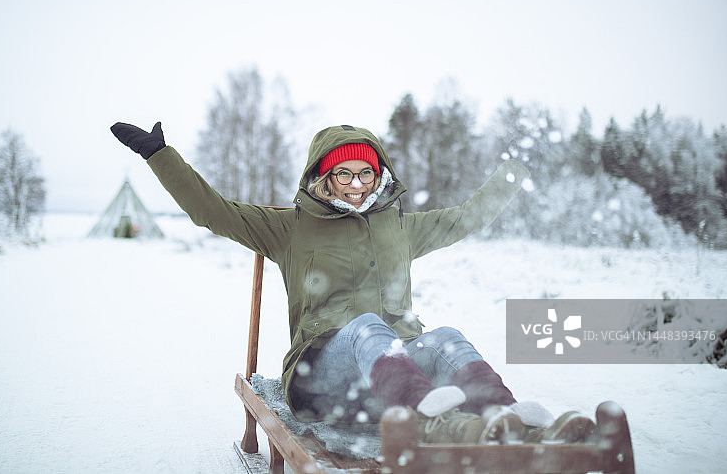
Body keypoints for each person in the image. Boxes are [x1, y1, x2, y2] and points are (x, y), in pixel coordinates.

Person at [110, 121, 594, 444]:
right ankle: (434, 425)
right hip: (320, 380)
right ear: (324, 177)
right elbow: (212, 212)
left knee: (446, 337)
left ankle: (514, 424)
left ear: (379, 173)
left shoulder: (398, 227)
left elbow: (468, 218)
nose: (357, 183)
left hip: (390, 375)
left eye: (366, 172)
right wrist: (160, 156)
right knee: (366, 325)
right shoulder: (290, 228)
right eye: (344, 173)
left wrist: (516, 171)